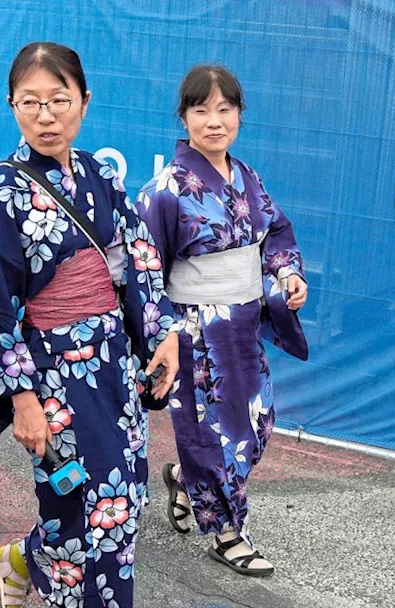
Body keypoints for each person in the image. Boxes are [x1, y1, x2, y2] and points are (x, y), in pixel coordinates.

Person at [0, 42, 179, 608]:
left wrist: (160, 339)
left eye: (59, 100)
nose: (46, 115)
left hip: (111, 368)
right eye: (31, 102)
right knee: (91, 501)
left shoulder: (100, 178)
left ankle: (20, 559)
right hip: (53, 382)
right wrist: (21, 397)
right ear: (11, 106)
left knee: (121, 496)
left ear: (85, 103)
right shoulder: (1, 195)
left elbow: (137, 260)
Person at [138, 64, 309, 576]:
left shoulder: (247, 177)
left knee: (256, 425)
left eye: (224, 109)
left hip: (244, 322)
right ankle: (227, 533)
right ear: (184, 117)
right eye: (201, 110)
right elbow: (145, 269)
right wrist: (162, 330)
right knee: (213, 432)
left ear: (239, 114)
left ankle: (187, 480)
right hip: (195, 331)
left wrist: (287, 275)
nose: (214, 121)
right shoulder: (165, 190)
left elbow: (275, 233)